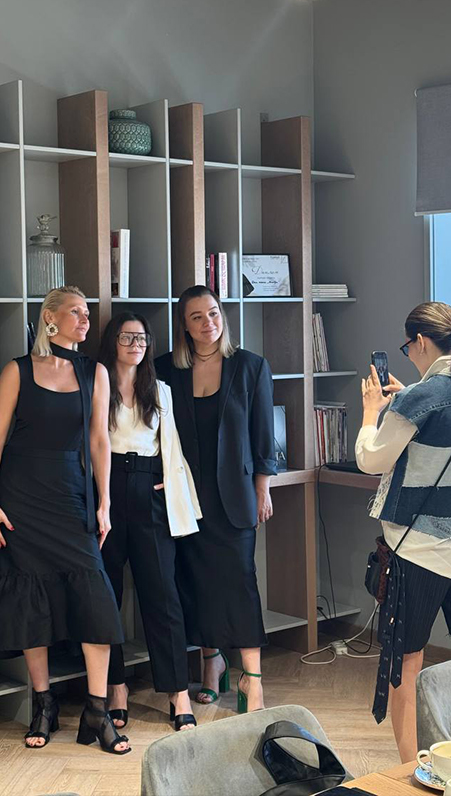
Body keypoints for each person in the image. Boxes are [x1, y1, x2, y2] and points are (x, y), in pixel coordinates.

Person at [356, 302, 451, 762]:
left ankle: (408, 773)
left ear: (420, 341)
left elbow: (371, 460)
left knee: (405, 664)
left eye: (408, 347)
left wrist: (370, 413)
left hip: (418, 553)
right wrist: (409, 397)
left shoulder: (420, 398)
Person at [0, 286, 128, 753]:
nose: (86, 319)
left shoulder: (95, 372)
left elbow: (99, 440)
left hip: (71, 496)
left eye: (87, 312)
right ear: (49, 318)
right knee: (30, 599)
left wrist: (105, 502)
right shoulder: (17, 370)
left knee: (96, 598)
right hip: (21, 499)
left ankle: (97, 710)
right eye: (76, 311)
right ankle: (43, 704)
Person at [156, 285, 276, 714]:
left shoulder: (250, 366)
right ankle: (212, 663)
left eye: (213, 313)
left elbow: (263, 435)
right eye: (197, 317)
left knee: (240, 582)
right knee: (195, 582)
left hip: (236, 496)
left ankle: (252, 678)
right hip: (185, 496)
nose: (208, 323)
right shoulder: (165, 370)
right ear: (184, 327)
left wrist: (263, 488)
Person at [97, 314, 201, 733]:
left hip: (149, 491)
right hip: (105, 491)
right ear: (112, 342)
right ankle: (116, 687)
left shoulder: (160, 391)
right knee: (106, 595)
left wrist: (165, 482)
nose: (135, 344)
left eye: (141, 338)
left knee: (162, 596)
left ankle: (178, 693)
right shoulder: (97, 385)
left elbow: (170, 445)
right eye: (127, 337)